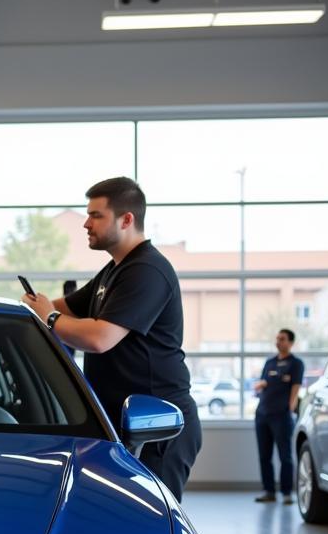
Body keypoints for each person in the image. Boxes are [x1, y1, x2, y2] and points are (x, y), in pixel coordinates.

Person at [21, 176, 200, 501]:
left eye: (96, 215)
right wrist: (30, 310)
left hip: (155, 424)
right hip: (116, 425)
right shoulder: (114, 271)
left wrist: (48, 316)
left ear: (126, 219)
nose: (86, 224)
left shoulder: (147, 271)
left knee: (147, 529)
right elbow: (67, 309)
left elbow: (100, 337)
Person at [253, 328, 304, 504]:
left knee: (285, 456)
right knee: (264, 456)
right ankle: (269, 491)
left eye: (282, 339)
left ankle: (287, 493)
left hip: (281, 415)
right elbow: (261, 384)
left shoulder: (296, 363)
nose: (278, 342)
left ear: (290, 342)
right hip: (262, 414)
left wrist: (291, 407)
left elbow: (295, 387)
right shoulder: (270, 362)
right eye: (277, 338)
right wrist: (263, 384)